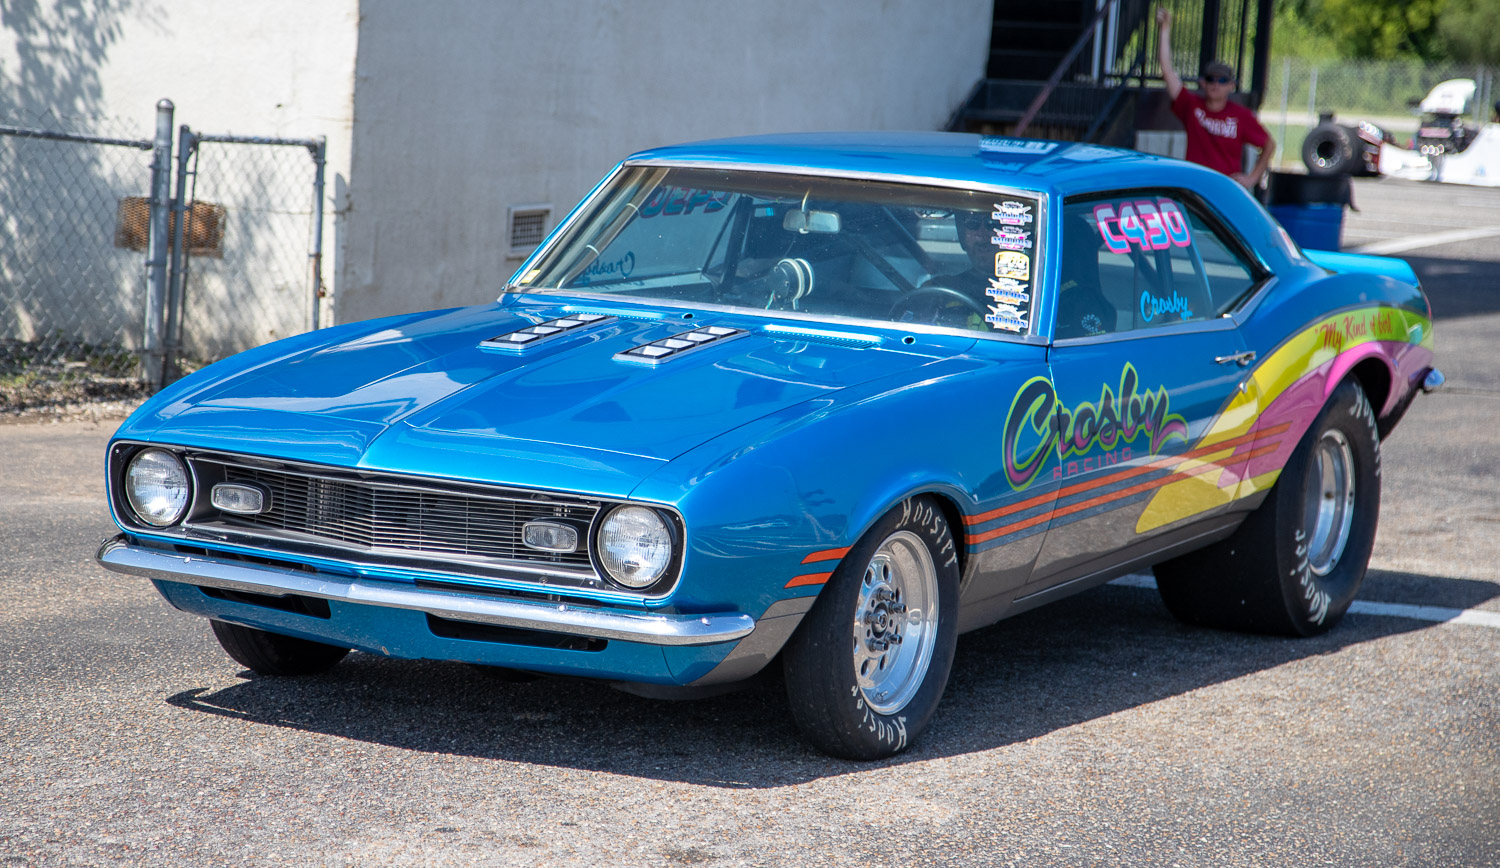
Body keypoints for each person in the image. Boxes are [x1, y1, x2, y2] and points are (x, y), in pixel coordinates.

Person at [1156, 8, 1275, 189]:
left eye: (1222, 80)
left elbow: (1269, 144)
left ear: (1231, 85)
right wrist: (1165, 29)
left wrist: (1252, 178)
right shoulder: (1192, 105)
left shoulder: (1240, 116)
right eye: (1211, 79)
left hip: (1225, 188)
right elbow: (1167, 71)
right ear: (1203, 83)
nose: (1216, 85)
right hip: (1195, 186)